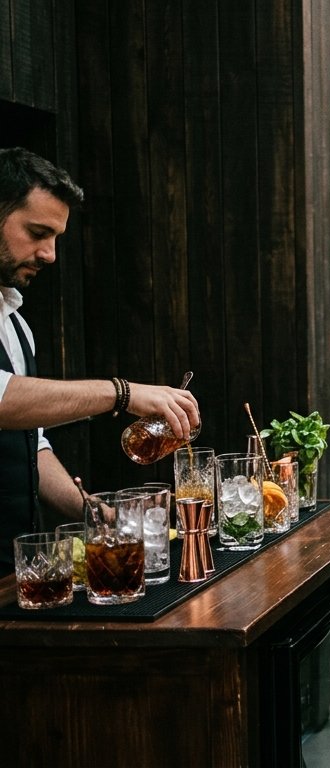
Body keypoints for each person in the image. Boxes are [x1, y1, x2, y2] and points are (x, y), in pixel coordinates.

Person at [0, 148, 199, 564]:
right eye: (37, 233)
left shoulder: (16, 323)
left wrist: (98, 515)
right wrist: (122, 393)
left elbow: (29, 445)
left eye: (55, 238)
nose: (50, 254)